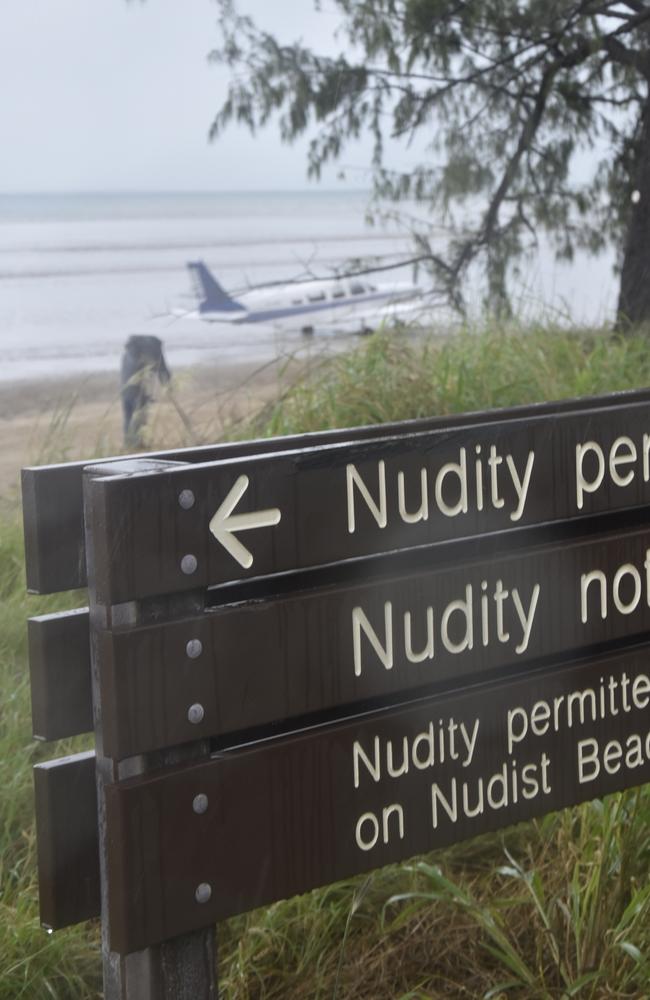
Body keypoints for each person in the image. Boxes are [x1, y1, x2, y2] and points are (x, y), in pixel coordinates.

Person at [120, 334, 171, 446]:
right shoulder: (153, 351)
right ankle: (137, 443)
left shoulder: (128, 352)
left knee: (129, 416)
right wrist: (168, 384)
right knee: (139, 416)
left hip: (125, 389)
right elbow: (162, 369)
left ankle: (129, 442)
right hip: (139, 391)